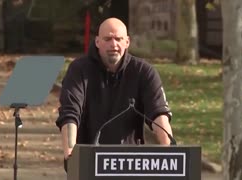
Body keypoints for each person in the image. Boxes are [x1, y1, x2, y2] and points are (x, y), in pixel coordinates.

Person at [55, 17, 173, 172]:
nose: (114, 44)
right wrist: (70, 153)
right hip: (89, 161)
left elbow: (159, 113)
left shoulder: (144, 72)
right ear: (97, 42)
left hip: (131, 164)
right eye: (108, 39)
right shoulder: (79, 70)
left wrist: (170, 154)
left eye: (118, 39)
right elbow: (70, 113)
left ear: (127, 42)